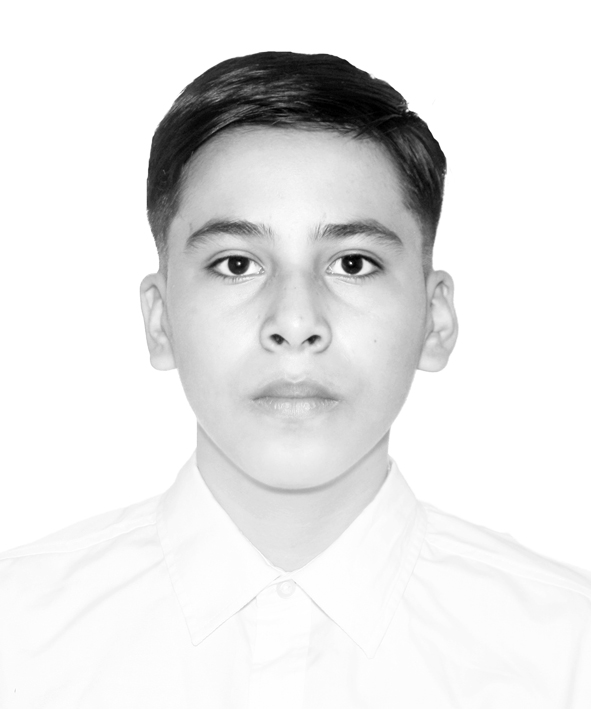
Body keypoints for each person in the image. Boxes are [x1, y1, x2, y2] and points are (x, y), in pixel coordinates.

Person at [0, 51, 589, 708]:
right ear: (160, 319)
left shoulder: (568, 652)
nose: (295, 322)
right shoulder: (15, 634)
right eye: (235, 264)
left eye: (353, 263)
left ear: (435, 318)